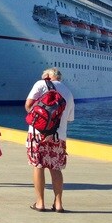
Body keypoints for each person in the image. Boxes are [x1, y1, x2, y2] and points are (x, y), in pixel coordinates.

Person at [25, 67, 75, 212]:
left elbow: (28, 106)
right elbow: (70, 118)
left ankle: (40, 203)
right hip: (59, 136)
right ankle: (58, 204)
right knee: (56, 168)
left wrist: (39, 117)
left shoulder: (40, 84)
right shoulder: (68, 92)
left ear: (47, 76)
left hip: (37, 134)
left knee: (38, 166)